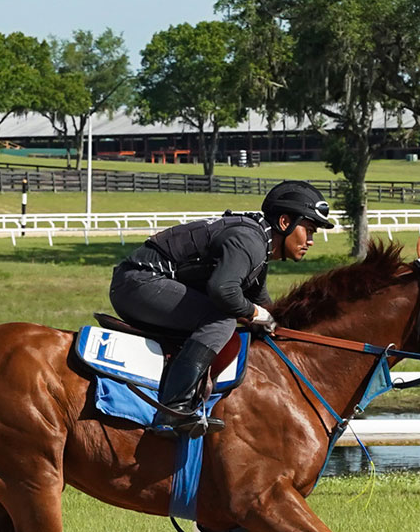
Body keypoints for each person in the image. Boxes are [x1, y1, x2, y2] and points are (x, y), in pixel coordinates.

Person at [109, 180, 335, 436]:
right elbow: (223, 291)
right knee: (220, 320)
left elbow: (263, 303)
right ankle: (173, 409)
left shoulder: (258, 245)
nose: (312, 240)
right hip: (138, 283)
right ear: (285, 222)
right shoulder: (250, 241)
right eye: (309, 230)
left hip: (141, 284)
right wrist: (255, 314)